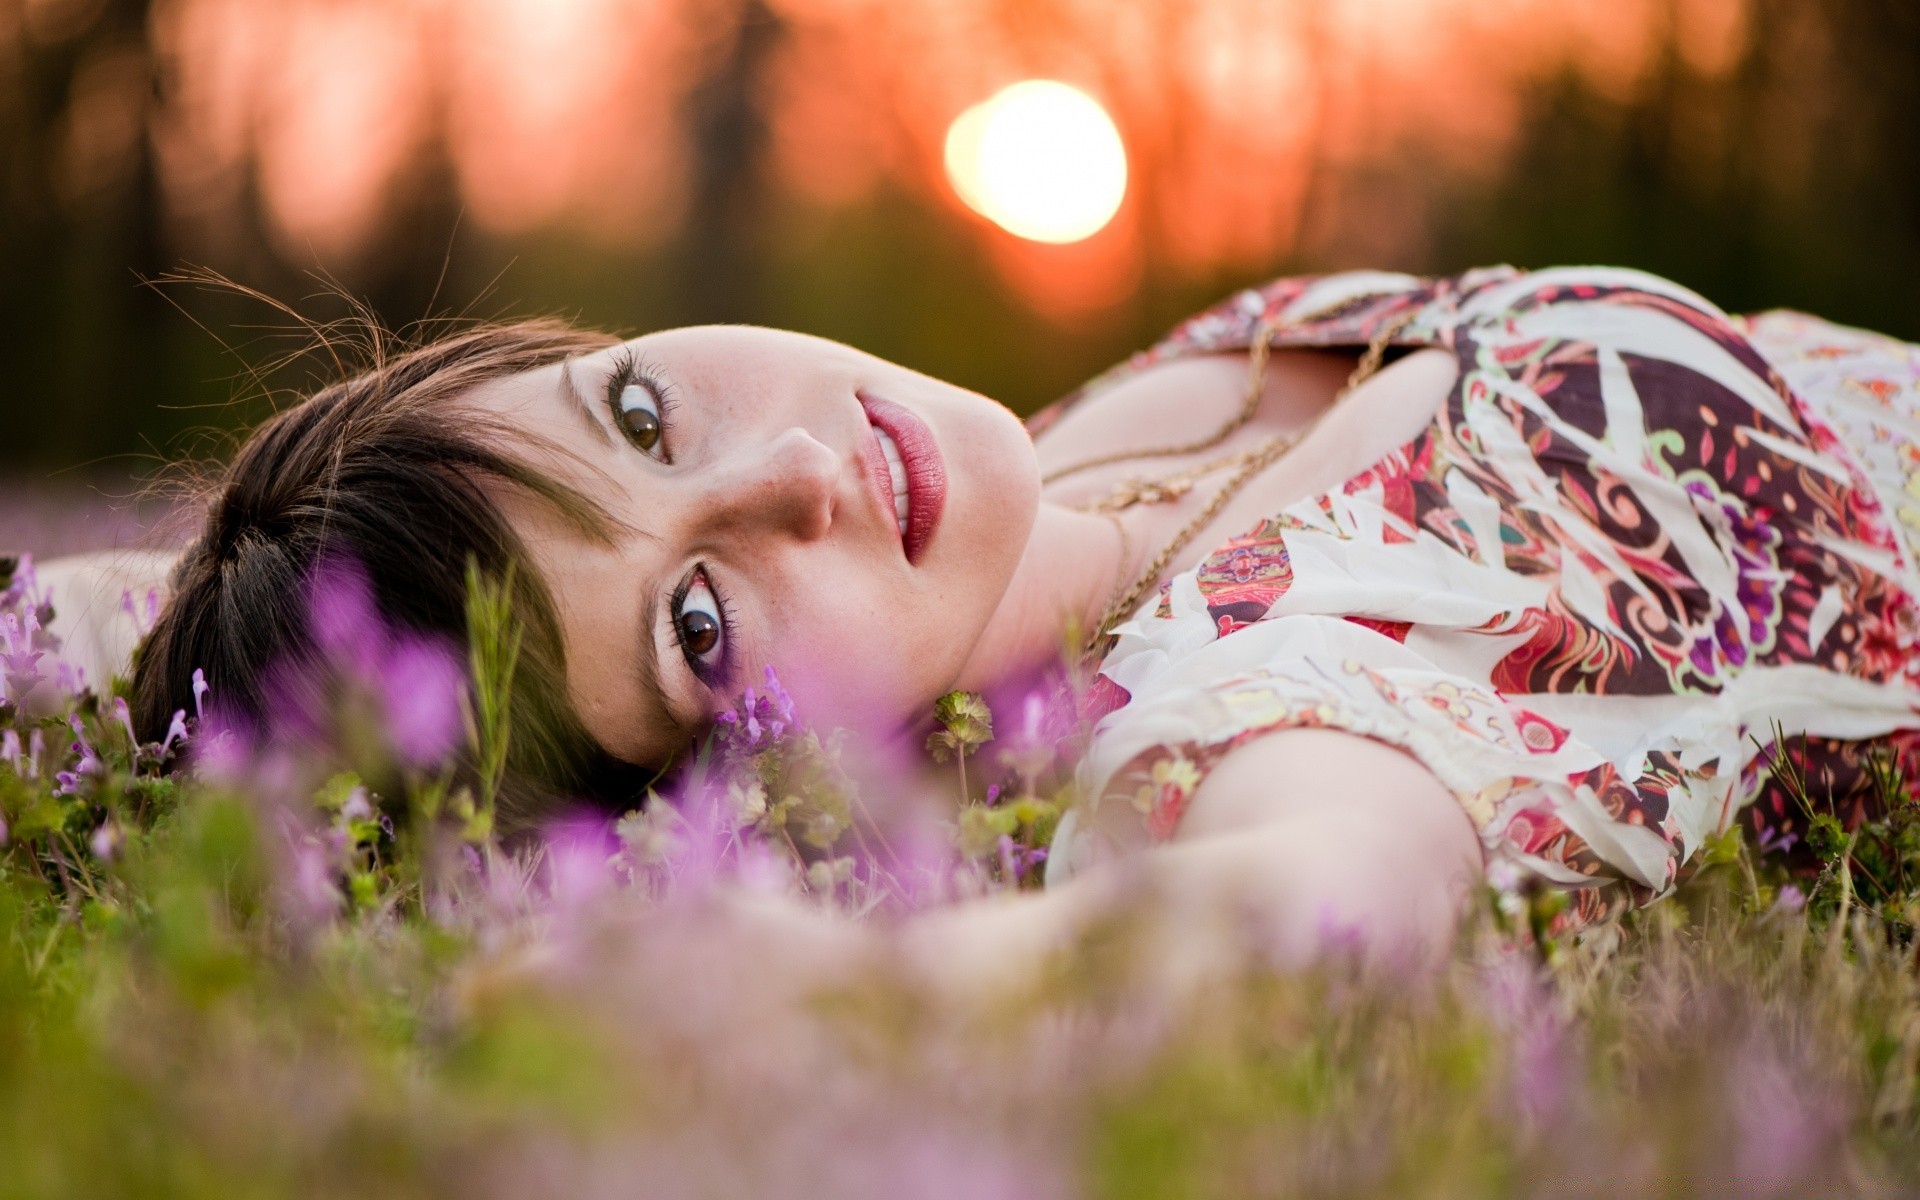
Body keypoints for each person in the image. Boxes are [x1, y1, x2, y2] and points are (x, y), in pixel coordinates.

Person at [102, 264, 1920, 979]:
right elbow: (1278, 913)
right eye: (704, 628)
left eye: (639, 416)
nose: (799, 468)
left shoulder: (1054, 471)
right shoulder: (1269, 683)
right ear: (733, 807)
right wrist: (881, 993)